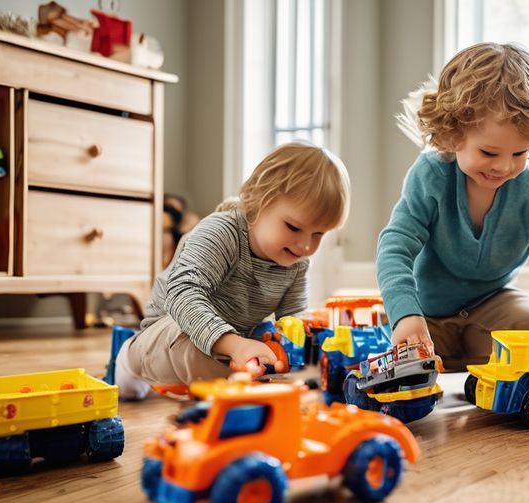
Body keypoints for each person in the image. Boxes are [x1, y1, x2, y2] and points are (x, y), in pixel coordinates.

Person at [378, 42, 529, 372]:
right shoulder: (430, 176)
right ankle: (432, 349)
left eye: (520, 153)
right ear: (452, 134)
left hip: (491, 307)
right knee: (390, 349)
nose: (504, 167)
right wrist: (406, 315)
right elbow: (395, 248)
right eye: (489, 153)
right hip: (427, 313)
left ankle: (483, 366)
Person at [114, 141, 351, 400]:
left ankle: (237, 390)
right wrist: (234, 344)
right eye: (293, 228)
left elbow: (292, 321)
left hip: (232, 343)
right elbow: (181, 294)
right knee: (194, 346)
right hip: (167, 334)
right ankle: (128, 358)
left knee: (274, 352)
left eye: (319, 234)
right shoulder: (222, 232)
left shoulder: (297, 260)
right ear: (258, 201)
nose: (306, 245)